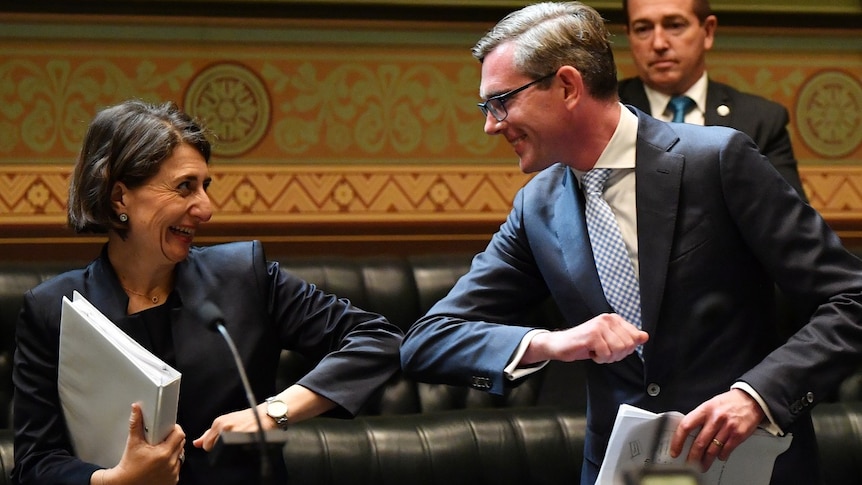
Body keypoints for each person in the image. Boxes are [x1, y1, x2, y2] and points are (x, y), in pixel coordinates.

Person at [399, 2, 862, 484]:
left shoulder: (717, 160)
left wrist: (759, 394)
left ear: (567, 86)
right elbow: (429, 340)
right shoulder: (536, 207)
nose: (491, 124)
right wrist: (554, 342)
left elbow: (852, 298)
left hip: (750, 465)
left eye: (501, 102)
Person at [12, 100, 403, 485]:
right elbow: (35, 464)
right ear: (120, 198)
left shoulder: (244, 276)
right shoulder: (55, 310)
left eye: (205, 186)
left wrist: (275, 410)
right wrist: (114, 482)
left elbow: (379, 339)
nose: (206, 208)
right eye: (185, 187)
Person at [617, 0, 808, 201]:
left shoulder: (760, 121)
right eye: (643, 29)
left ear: (708, 31)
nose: (658, 43)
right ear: (629, 36)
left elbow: (791, 223)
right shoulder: (606, 114)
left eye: (674, 26)